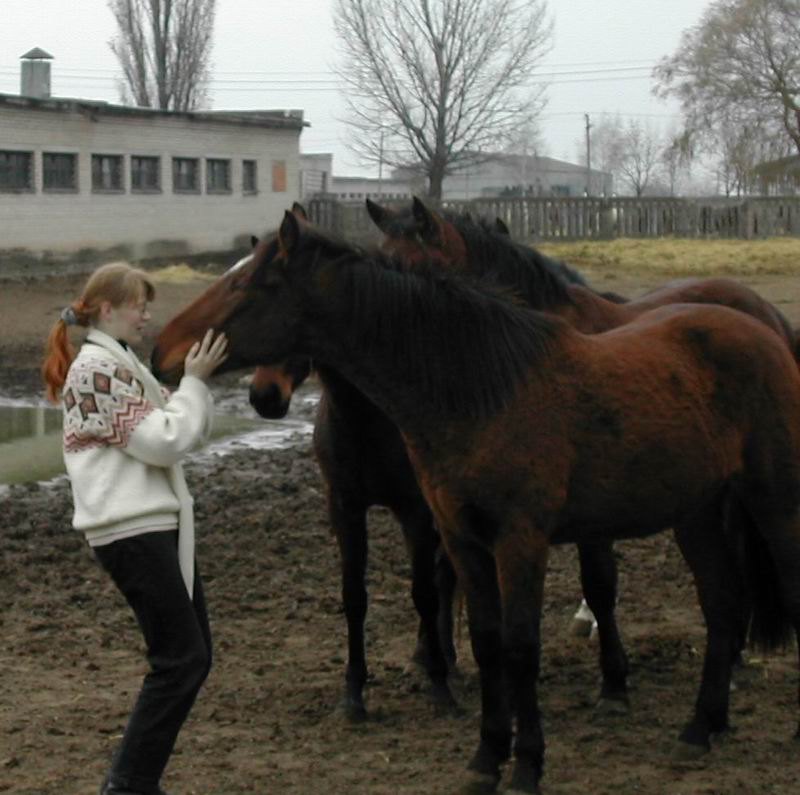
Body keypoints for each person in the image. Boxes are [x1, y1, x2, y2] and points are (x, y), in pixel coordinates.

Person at [42, 262, 228, 795]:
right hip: (130, 530)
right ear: (107, 309)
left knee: (192, 657)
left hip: (151, 526)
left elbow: (182, 429)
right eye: (138, 304)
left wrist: (195, 388)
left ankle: (134, 783)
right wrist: (193, 382)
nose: (147, 314)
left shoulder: (118, 362)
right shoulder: (96, 369)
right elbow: (163, 441)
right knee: (181, 659)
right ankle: (128, 785)